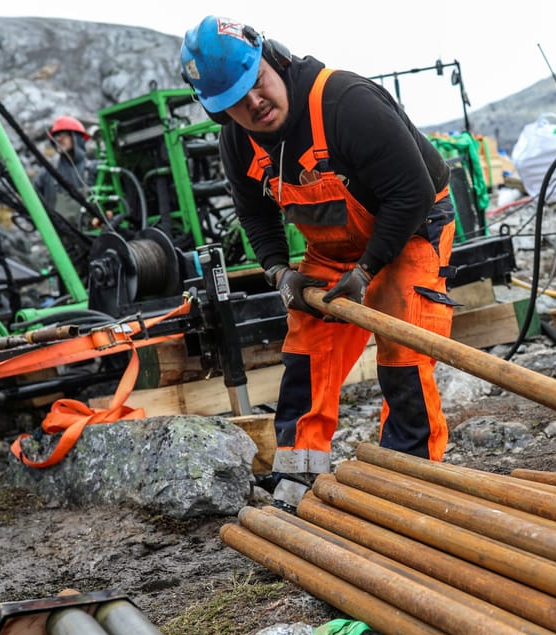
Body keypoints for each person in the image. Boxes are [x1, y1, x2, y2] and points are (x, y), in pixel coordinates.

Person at [179, 16, 458, 509]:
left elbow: (411, 192)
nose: (255, 103)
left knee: (404, 347)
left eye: (257, 83)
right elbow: (255, 213)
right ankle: (299, 477)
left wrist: (367, 272)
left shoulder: (346, 103)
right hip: (335, 245)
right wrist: (279, 271)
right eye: (236, 102)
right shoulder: (238, 141)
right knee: (308, 347)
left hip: (411, 225)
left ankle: (411, 483)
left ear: (275, 59)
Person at [34, 115, 94, 226]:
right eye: (55, 136)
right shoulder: (46, 174)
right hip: (60, 235)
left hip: (93, 233)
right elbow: (33, 202)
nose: (58, 139)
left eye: (63, 134)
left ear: (76, 137)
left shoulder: (94, 169)